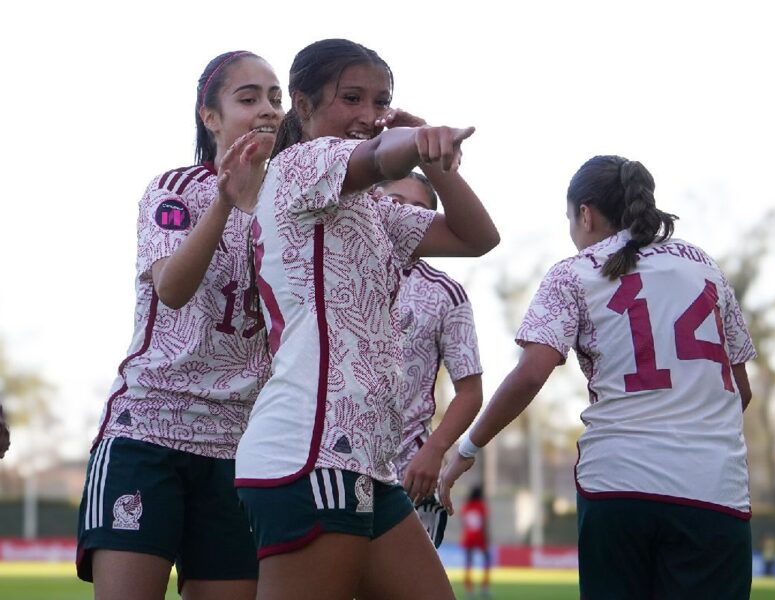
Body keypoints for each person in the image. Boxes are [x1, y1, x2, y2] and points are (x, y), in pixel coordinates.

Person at [225, 38, 499, 600]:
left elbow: (478, 237)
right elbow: (375, 157)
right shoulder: (301, 164)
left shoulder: (373, 209)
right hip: (311, 450)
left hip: (369, 461)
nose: (368, 116)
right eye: (351, 98)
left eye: (380, 102)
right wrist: (412, 140)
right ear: (301, 106)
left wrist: (430, 156)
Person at [440, 155, 756, 599]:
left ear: (585, 214)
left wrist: (467, 448)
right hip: (712, 487)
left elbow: (531, 375)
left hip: (618, 484)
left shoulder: (575, 272)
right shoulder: (705, 268)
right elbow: (740, 390)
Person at [76, 51, 283, 600]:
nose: (267, 109)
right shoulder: (176, 190)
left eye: (275, 97)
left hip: (240, 450)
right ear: (209, 116)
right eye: (248, 97)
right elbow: (172, 288)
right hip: (149, 432)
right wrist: (224, 200)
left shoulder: (294, 208)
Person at [373, 173, 484, 548]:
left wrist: (434, 450)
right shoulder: (329, 272)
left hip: (408, 473)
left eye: (418, 211)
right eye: (395, 202)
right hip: (333, 463)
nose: (403, 215)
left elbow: (470, 390)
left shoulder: (445, 293)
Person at [460, 485, 491, 599]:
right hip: (479, 536)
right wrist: (487, 537)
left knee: (468, 563)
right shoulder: (481, 506)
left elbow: (463, 522)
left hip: (468, 537)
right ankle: (484, 588)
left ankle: (469, 589)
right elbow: (484, 523)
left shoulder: (466, 506)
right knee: (487, 561)